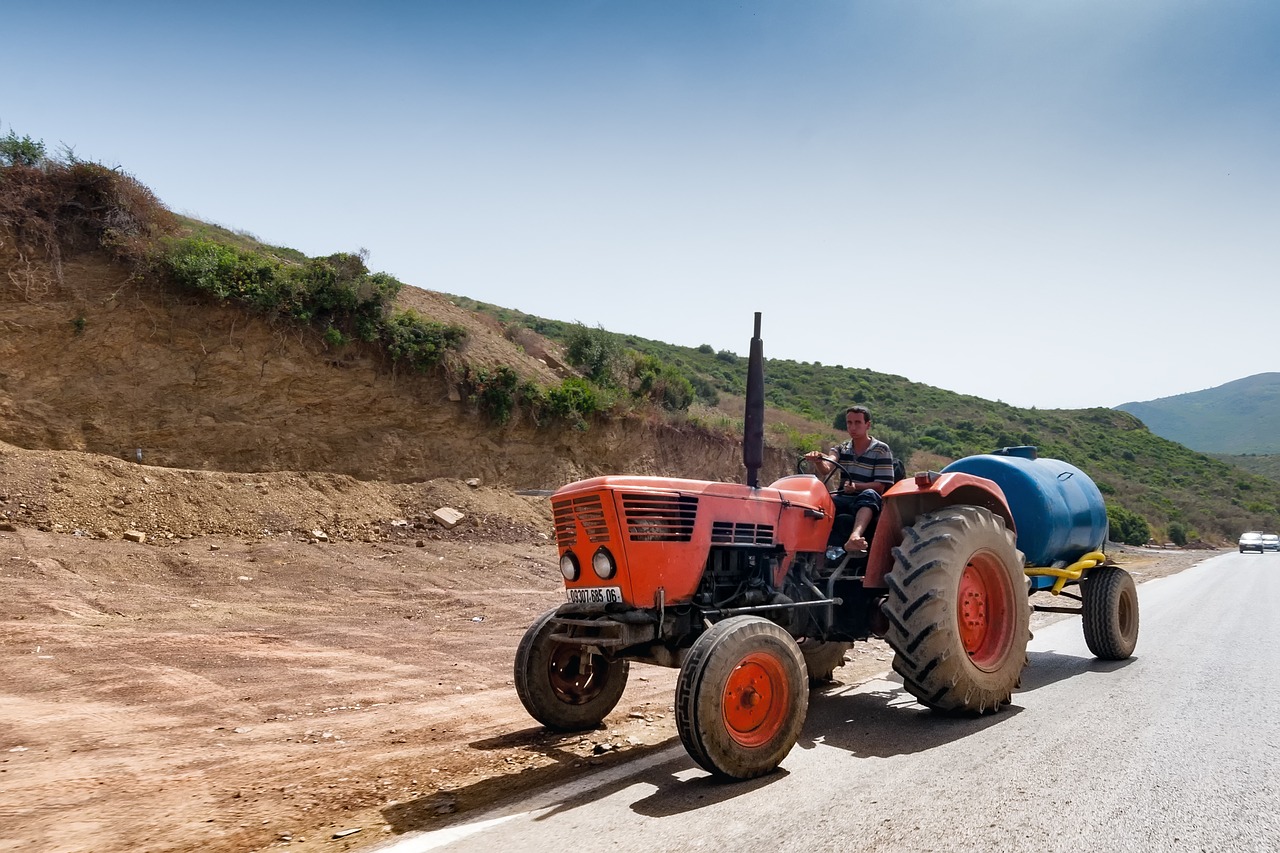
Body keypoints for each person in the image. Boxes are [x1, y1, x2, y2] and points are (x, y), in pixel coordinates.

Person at [804, 405, 895, 555]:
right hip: (844, 497)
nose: (853, 427)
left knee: (870, 494)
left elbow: (880, 486)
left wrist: (856, 487)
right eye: (849, 423)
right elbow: (828, 466)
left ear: (868, 425)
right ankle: (814, 554)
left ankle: (855, 537)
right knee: (821, 502)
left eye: (858, 423)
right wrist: (819, 460)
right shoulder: (842, 448)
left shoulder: (881, 450)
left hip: (868, 498)